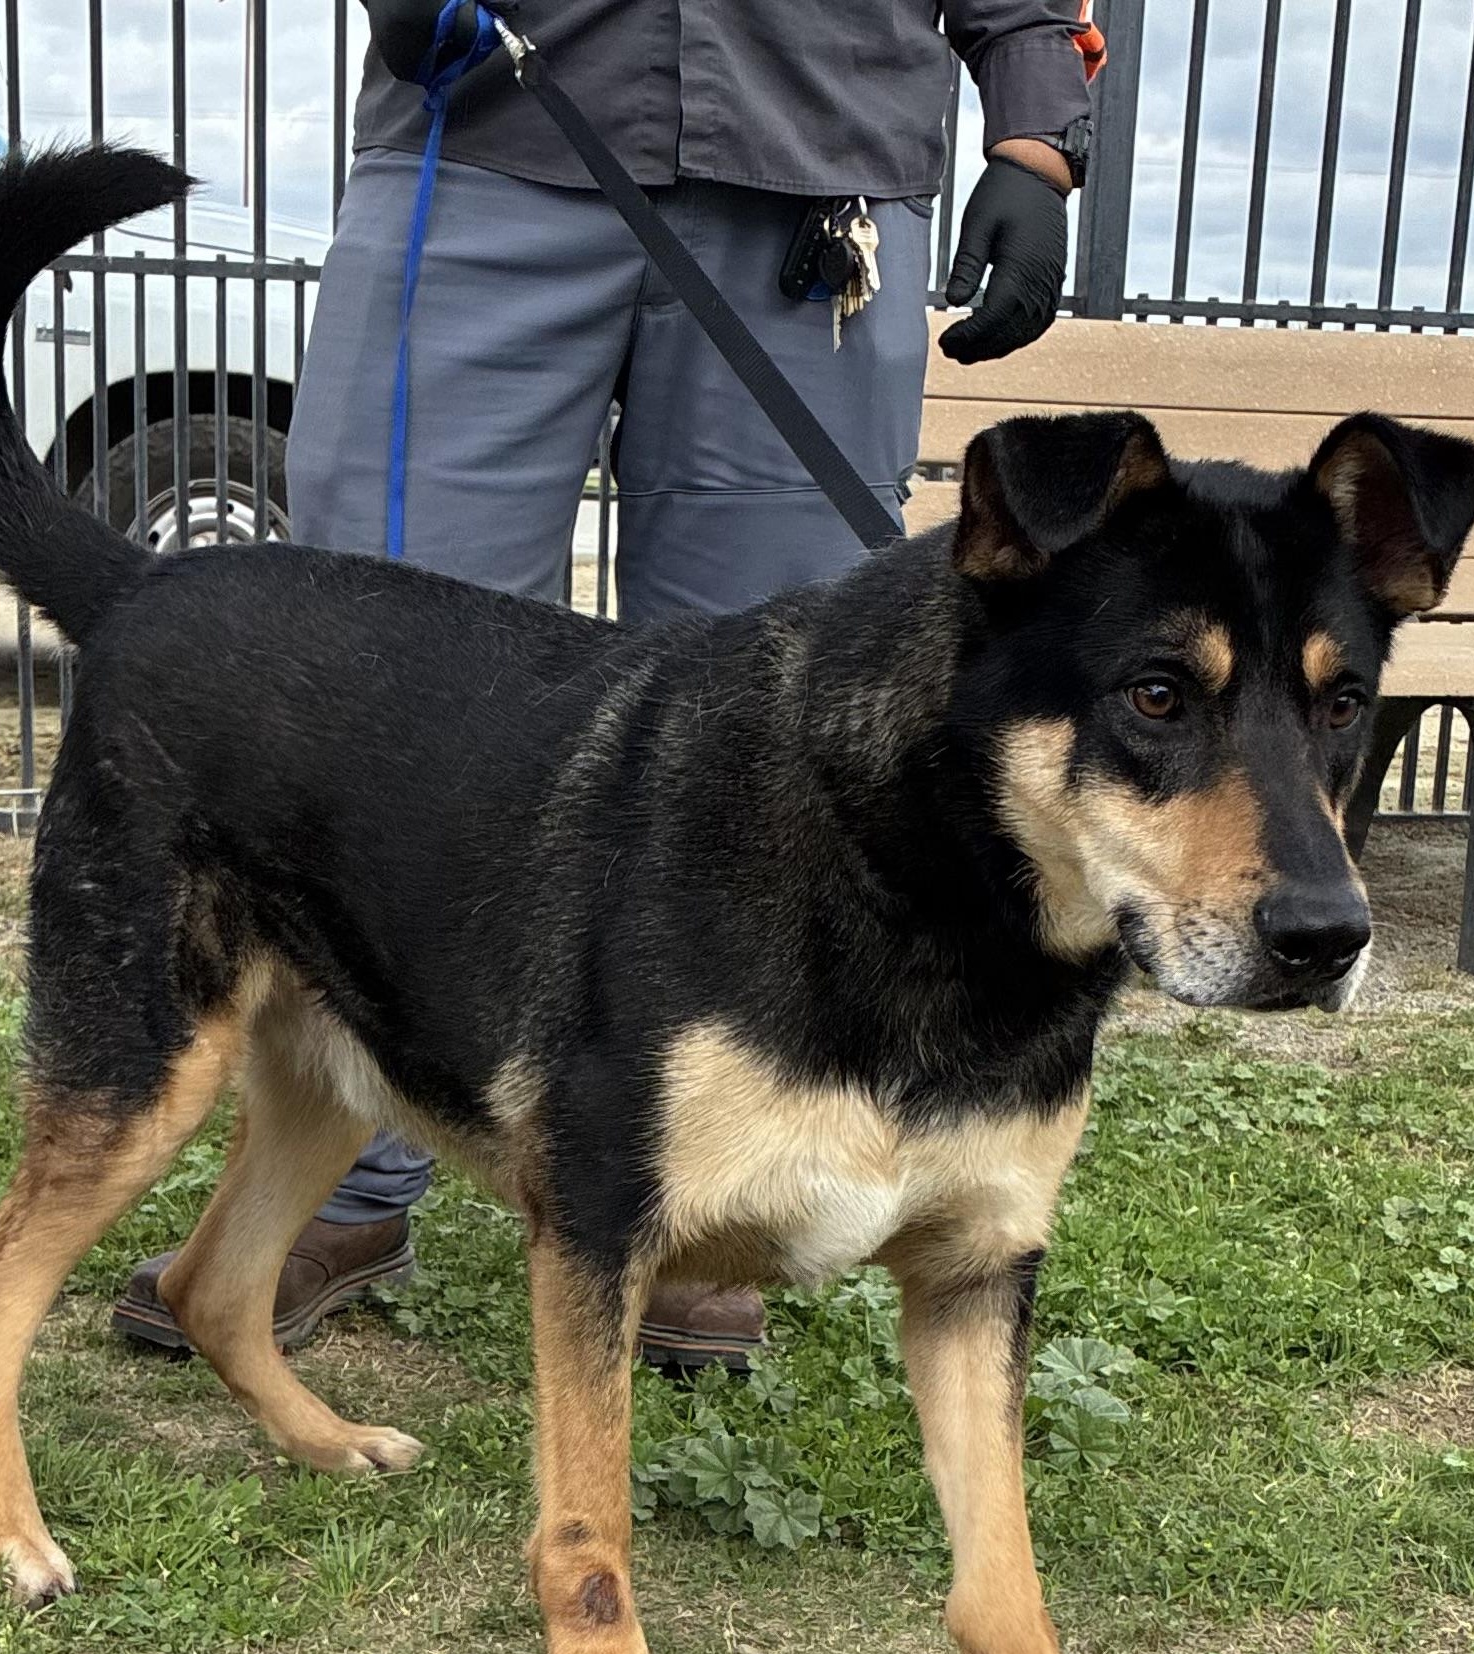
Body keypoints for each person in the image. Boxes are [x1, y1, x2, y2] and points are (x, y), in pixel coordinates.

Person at [114, 0, 1103, 1370]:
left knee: (776, 734)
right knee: (380, 691)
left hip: (815, 166)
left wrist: (1034, 134)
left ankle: (715, 1201)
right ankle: (347, 1186)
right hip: (491, 128)